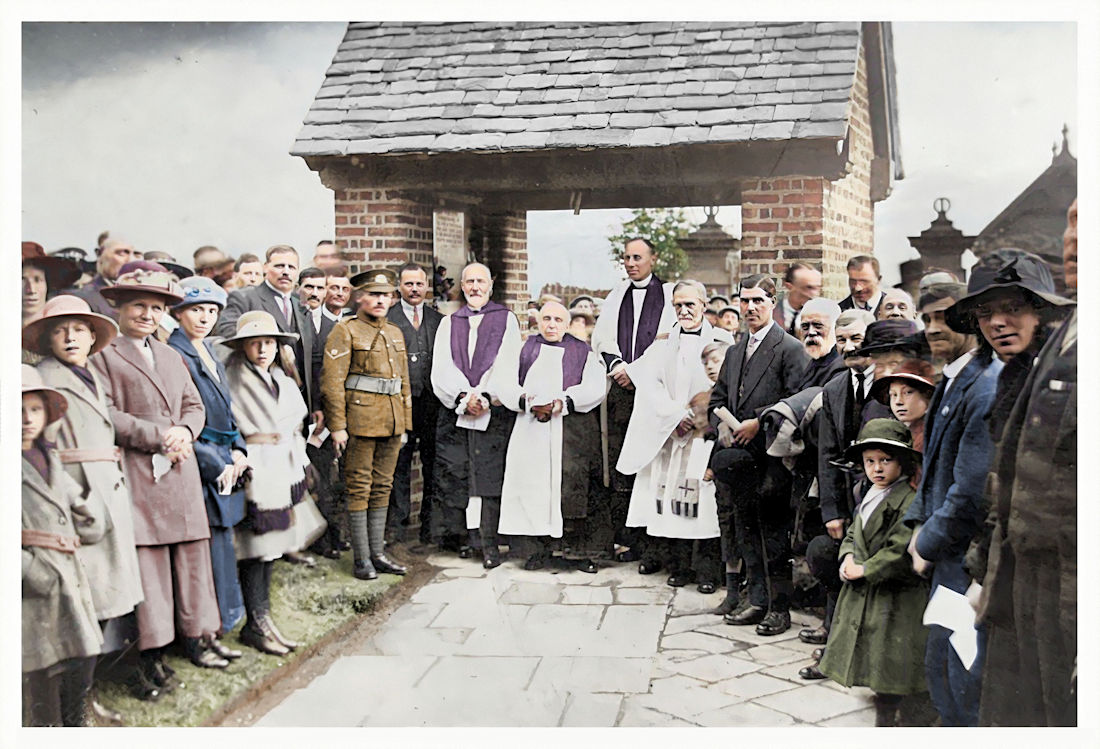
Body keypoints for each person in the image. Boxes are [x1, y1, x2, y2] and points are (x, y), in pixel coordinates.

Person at [90, 262, 227, 691]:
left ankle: (197, 636)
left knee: (190, 560)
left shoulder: (169, 354)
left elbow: (194, 404)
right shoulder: (104, 357)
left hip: (179, 466)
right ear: (119, 308)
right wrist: (157, 436)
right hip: (141, 470)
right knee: (150, 566)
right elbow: (107, 413)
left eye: (154, 307)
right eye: (137, 306)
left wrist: (185, 431)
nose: (147, 315)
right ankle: (151, 653)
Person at [956, 245, 1076, 726]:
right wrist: (982, 570)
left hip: (1058, 578)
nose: (998, 323)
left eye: (1013, 308)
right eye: (985, 313)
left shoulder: (1065, 369)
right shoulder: (1010, 376)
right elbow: (999, 486)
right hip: (1012, 573)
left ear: (1042, 310)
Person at [900, 281, 1002, 727]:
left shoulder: (983, 386)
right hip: (945, 548)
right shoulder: (952, 379)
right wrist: (918, 525)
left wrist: (929, 540)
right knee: (941, 662)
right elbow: (934, 467)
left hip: (964, 554)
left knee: (962, 669)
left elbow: (971, 486)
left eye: (944, 317)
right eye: (926, 319)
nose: (934, 328)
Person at [708, 274, 809, 635]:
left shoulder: (790, 349)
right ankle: (757, 600)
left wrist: (757, 421)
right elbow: (717, 399)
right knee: (745, 527)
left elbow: (798, 402)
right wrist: (722, 426)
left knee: (774, 532)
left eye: (758, 301)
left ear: (772, 302)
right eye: (744, 301)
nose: (750, 308)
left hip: (774, 458)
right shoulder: (735, 351)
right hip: (739, 460)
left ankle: (779, 609)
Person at [224, 311, 327, 655]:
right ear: (243, 348)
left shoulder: (280, 378)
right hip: (256, 465)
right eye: (255, 343)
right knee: (257, 548)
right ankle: (256, 621)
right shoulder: (236, 378)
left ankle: (262, 618)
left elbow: (293, 422)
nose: (262, 350)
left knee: (272, 549)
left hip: (281, 465)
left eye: (268, 342)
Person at [818, 419, 930, 727]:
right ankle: (884, 713)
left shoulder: (907, 501)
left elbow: (899, 548)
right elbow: (854, 532)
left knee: (891, 663)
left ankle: (899, 717)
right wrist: (848, 556)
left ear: (903, 462)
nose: (877, 468)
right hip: (867, 588)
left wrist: (866, 568)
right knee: (873, 659)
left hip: (894, 595)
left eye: (885, 460)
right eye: (870, 462)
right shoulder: (868, 496)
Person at [618, 280, 730, 589]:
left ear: (704, 306)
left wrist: (698, 417)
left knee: (704, 501)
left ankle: (707, 571)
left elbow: (724, 384)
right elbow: (650, 385)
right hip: (671, 430)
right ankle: (680, 567)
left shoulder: (721, 339)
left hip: (702, 433)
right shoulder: (663, 343)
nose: (683, 310)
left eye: (690, 304)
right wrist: (673, 415)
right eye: (678, 305)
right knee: (672, 500)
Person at [166, 278, 248, 661]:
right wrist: (215, 461)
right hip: (198, 460)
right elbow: (177, 416)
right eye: (196, 310)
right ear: (178, 313)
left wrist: (240, 449)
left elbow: (227, 411)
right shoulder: (175, 353)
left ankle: (217, 627)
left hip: (222, 455)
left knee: (222, 547)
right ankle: (202, 633)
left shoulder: (209, 352)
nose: (205, 318)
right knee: (205, 551)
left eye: (212, 311)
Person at [21, 366, 106, 726]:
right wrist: (30, 571)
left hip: (67, 573)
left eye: (35, 410)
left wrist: (87, 512)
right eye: (16, 412)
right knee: (40, 668)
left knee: (82, 656)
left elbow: (72, 501)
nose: (26, 420)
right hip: (34, 581)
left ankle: (75, 722)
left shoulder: (49, 457)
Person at [495, 301, 606, 572]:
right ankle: (536, 551)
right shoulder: (524, 349)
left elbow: (595, 386)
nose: (552, 325)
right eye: (547, 319)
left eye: (558, 320)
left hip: (570, 431)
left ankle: (577, 552)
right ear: (537, 322)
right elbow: (504, 382)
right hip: (531, 430)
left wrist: (564, 402)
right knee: (533, 487)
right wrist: (526, 401)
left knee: (572, 486)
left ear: (567, 325)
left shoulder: (583, 352)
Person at [797, 308, 875, 671]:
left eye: (857, 339)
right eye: (841, 341)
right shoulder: (835, 388)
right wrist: (831, 511)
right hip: (845, 495)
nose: (849, 348)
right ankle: (833, 628)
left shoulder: (888, 385)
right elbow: (826, 453)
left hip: (879, 493)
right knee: (826, 551)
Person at [590, 238, 677, 561]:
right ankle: (628, 541)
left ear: (653, 258)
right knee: (622, 462)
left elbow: (666, 340)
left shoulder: (668, 296)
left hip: (652, 388)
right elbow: (603, 337)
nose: (630, 263)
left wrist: (636, 372)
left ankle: (656, 544)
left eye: (637, 257)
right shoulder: (617, 295)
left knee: (650, 463)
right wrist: (617, 365)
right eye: (626, 258)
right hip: (621, 389)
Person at [321, 269, 411, 580]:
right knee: (359, 487)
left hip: (391, 420)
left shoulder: (395, 332)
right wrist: (338, 426)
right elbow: (333, 383)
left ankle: (378, 552)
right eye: (373, 295)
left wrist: (405, 423)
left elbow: (404, 383)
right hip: (359, 422)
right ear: (359, 297)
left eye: (385, 295)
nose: (380, 301)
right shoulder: (346, 331)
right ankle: (362, 559)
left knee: (383, 486)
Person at [430, 262, 521, 562]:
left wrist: (484, 395)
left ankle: (491, 543)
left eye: (481, 281)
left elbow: (508, 364)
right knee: (460, 475)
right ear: (462, 286)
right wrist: (462, 397)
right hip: (458, 410)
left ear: (491, 284)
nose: (475, 287)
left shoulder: (506, 320)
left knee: (489, 477)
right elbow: (441, 368)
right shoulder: (450, 323)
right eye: (469, 282)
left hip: (492, 410)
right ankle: (468, 540)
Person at [215, 245, 322, 426]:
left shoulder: (301, 307)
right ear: (265, 268)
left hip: (296, 402)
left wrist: (316, 405)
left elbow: (310, 361)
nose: (286, 272)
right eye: (279, 266)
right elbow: (226, 331)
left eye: (291, 267)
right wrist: (274, 346)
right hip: (255, 396)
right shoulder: (245, 297)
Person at [386, 262, 443, 550]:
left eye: (419, 284)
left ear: (426, 286)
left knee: (433, 464)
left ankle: (430, 529)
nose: (414, 289)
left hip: (432, 406)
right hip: (400, 404)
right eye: (408, 284)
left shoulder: (438, 320)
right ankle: (397, 528)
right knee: (399, 465)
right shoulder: (388, 318)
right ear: (400, 287)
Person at [23, 242, 82, 364]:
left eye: (38, 280)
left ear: (47, 285)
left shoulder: (67, 332)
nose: (31, 290)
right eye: (21, 281)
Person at [69, 237, 139, 319]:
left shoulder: (142, 296)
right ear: (99, 254)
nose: (131, 260)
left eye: (136, 254)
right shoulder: (81, 298)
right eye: (122, 253)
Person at [793, 297, 845, 389]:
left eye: (818, 326)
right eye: (805, 327)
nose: (811, 332)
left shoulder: (841, 367)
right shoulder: (810, 360)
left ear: (835, 328)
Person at [774, 262, 823, 336]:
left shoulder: (825, 317)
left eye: (818, 288)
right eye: (808, 288)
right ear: (789, 286)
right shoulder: (770, 315)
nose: (815, 294)